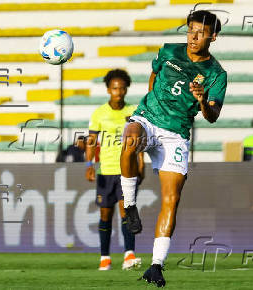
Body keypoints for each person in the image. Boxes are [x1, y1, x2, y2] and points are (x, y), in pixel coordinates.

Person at [120, 10, 227, 287]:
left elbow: (212, 116)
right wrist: (147, 108)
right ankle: (130, 206)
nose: (193, 36)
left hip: (176, 134)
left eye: (201, 32)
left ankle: (156, 266)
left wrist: (202, 100)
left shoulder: (216, 74)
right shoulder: (168, 50)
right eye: (191, 29)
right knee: (130, 138)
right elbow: (154, 78)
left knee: (171, 199)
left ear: (213, 37)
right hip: (148, 118)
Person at [85, 69, 144, 270]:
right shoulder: (99, 113)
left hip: (126, 170)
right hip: (105, 170)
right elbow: (91, 141)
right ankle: (105, 257)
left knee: (126, 211)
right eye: (114, 88)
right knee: (105, 215)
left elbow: (139, 140)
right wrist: (89, 164)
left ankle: (129, 255)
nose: (118, 92)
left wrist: (141, 162)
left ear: (126, 89)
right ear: (108, 89)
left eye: (121, 88)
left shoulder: (134, 111)